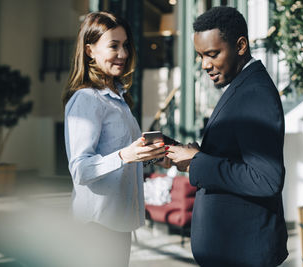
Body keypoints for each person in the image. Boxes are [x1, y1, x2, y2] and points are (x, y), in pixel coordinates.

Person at [166, 6, 288, 267]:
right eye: (200, 56)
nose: (205, 65)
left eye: (212, 54)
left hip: (242, 255)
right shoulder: (242, 86)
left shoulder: (255, 94)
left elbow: (266, 179)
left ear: (241, 45)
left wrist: (198, 161)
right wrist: (193, 156)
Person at [62, 11, 166, 267]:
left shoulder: (118, 98)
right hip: (97, 227)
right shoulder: (87, 99)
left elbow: (125, 153)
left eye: (125, 45)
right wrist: (124, 156)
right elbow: (80, 169)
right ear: (90, 50)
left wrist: (152, 156)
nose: (123, 53)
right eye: (113, 45)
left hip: (117, 224)